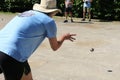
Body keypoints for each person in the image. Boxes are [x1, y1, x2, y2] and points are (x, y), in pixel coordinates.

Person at [0, 0, 76, 80]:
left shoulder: (27, 13)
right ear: (53, 12)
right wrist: (63, 37)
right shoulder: (48, 21)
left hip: (9, 51)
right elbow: (55, 47)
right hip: (12, 55)